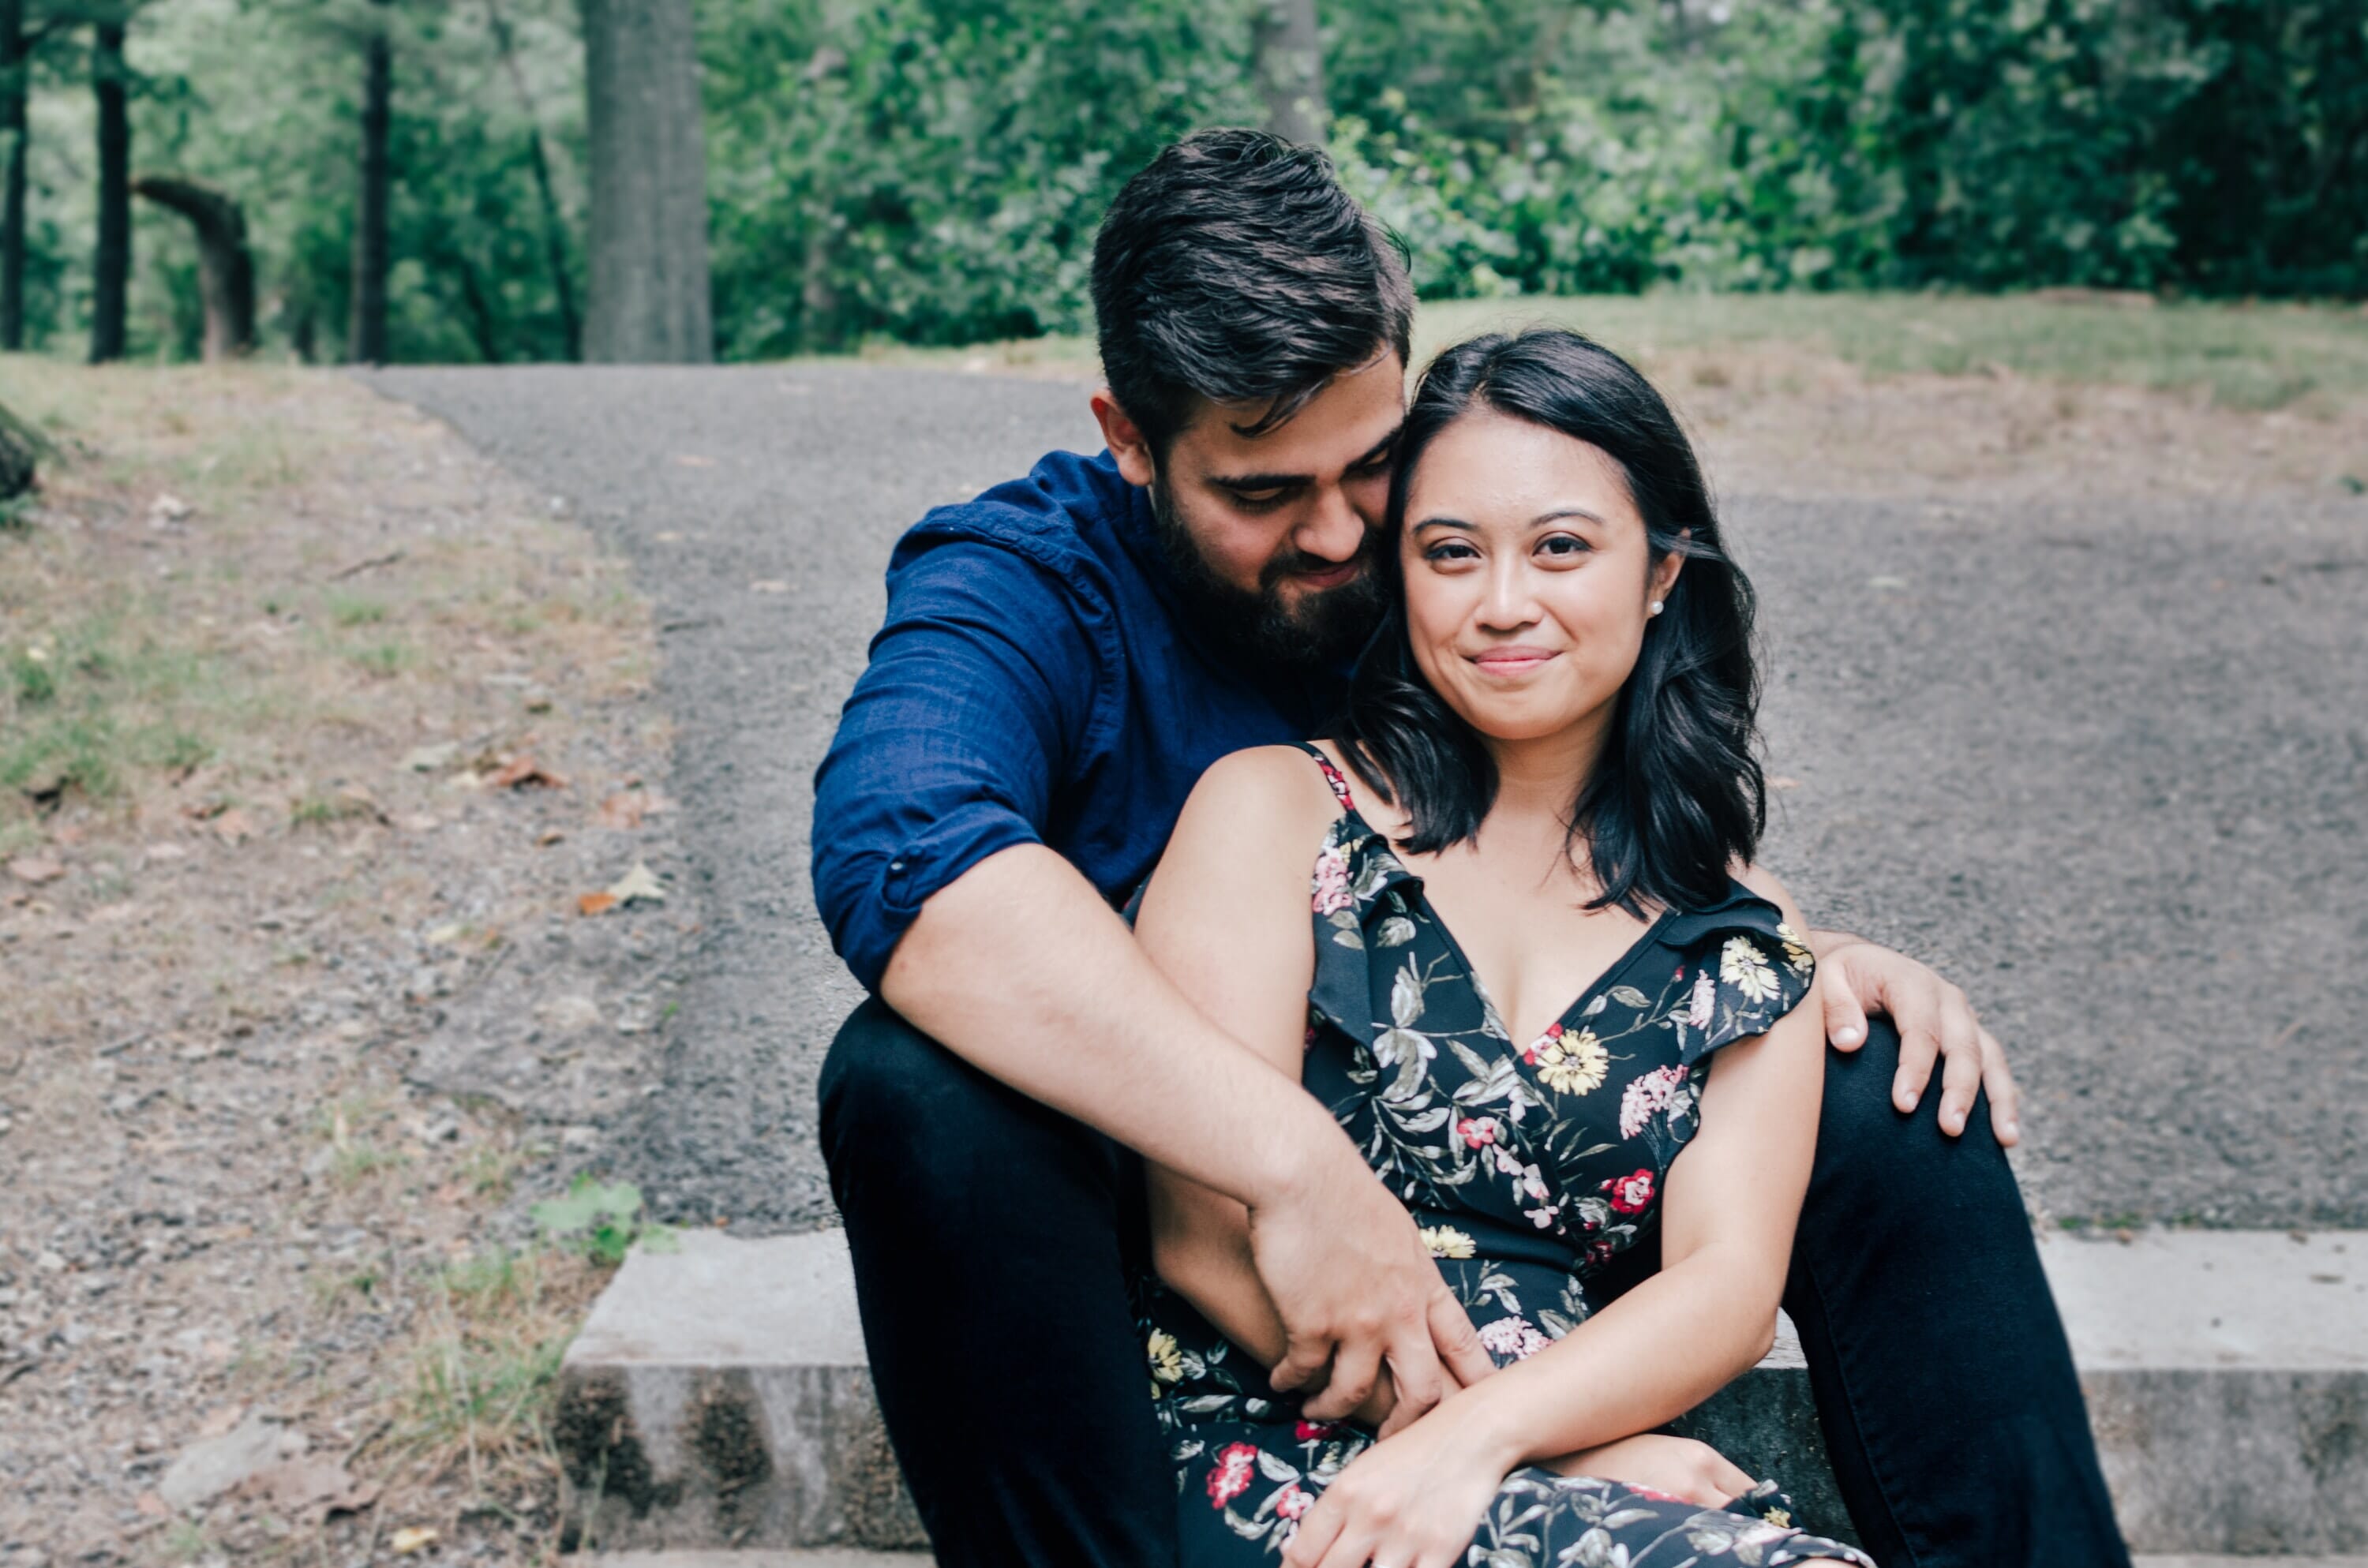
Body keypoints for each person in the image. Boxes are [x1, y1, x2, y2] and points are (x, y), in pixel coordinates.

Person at [813, 129, 2129, 1568]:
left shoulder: (1444, 552)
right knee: (916, 1082)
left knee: (1877, 1069)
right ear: (1131, 439)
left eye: (1373, 470)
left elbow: (1586, 791)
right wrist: (1295, 1167)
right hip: (1192, 1230)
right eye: (1261, 493)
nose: (1337, 537)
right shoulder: (1033, 591)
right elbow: (911, 861)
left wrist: (1786, 959)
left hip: (1531, 1206)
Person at [1134, 324, 1869, 1568]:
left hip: (1559, 1453)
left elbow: (1730, 1291)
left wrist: (1501, 1443)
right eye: (1450, 554)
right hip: (1273, 1439)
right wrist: (1508, 1445)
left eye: (1563, 548)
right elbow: (1199, 1235)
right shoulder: (1271, 812)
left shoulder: (1743, 935)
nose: (1503, 605)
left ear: (1659, 574)